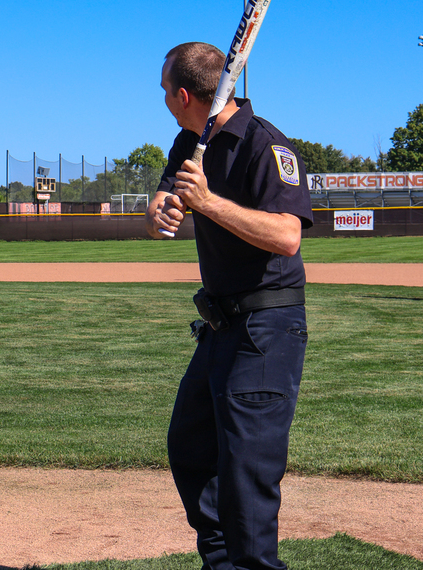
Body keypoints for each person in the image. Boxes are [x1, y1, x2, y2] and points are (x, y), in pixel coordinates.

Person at [146, 42, 312, 570]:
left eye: (164, 90)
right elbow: (166, 196)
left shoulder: (266, 145)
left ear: (183, 94)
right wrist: (161, 208)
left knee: (245, 474)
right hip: (219, 325)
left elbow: (287, 237)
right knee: (191, 448)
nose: (162, 99)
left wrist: (208, 202)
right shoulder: (189, 141)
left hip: (266, 326)